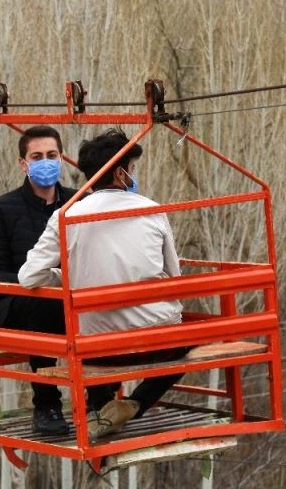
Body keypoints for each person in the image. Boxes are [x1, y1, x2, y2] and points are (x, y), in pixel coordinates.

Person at [18, 128, 188, 438]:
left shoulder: (65, 216)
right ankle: (135, 404)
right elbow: (174, 277)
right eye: (132, 169)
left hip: (97, 349)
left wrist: (67, 277)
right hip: (157, 345)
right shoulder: (153, 211)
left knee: (97, 330)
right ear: (122, 172)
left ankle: (98, 409)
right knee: (188, 341)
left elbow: (29, 276)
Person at [0, 125, 77, 435]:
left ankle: (101, 398)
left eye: (51, 155)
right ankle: (47, 403)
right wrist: (39, 283)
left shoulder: (78, 203)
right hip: (15, 302)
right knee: (40, 305)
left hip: (70, 296)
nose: (45, 161)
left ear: (61, 159)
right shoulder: (0, 211)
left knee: (101, 303)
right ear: (24, 163)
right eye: (37, 156)